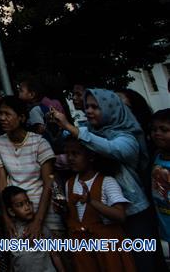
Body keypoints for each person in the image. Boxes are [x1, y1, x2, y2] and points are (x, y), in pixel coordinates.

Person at [49, 88, 159, 272]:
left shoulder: (127, 138)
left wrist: (70, 127)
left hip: (133, 213)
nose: (89, 111)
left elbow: (110, 148)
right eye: (87, 106)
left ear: (111, 109)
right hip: (105, 218)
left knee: (143, 264)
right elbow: (69, 146)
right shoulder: (91, 132)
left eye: (95, 107)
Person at [60, 137, 133, 272]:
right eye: (68, 154)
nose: (70, 158)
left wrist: (91, 201)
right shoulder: (69, 183)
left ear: (91, 157)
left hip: (106, 246)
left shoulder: (107, 182)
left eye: (75, 154)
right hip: (82, 248)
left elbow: (120, 215)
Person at [0, 97, 62, 238]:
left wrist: (38, 220)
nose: (2, 118)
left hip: (45, 209)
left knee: (56, 255)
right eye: (0, 114)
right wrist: (6, 216)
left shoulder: (39, 143)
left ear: (22, 118)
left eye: (7, 114)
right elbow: (2, 182)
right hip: (17, 212)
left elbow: (48, 182)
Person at [1, 186, 62, 272]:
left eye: (28, 202)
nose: (27, 207)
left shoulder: (41, 229)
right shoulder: (11, 233)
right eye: (20, 205)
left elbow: (55, 255)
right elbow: (12, 261)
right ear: (11, 211)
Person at [151, 108, 170, 243]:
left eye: (164, 130)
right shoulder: (157, 156)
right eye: (154, 129)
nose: (157, 133)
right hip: (165, 228)